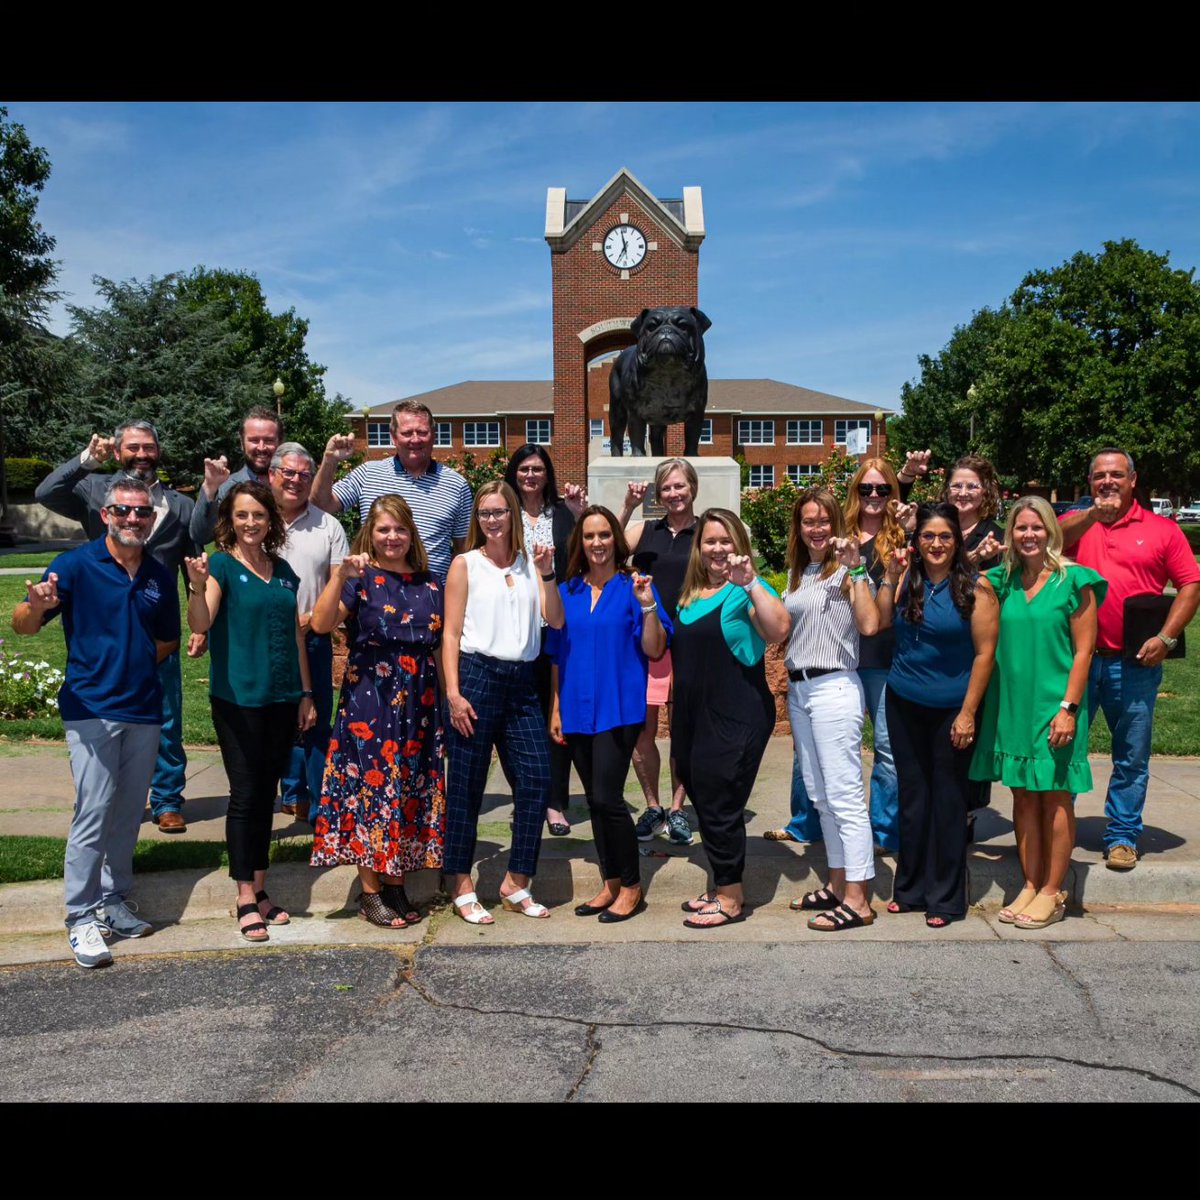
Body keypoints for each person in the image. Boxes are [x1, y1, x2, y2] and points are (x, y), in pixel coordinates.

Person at [12, 478, 180, 967]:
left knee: (128, 812)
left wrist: (135, 660)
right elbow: (22, 623)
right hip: (90, 708)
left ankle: (113, 900)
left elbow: (167, 639)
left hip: (144, 708)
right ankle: (80, 916)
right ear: (105, 514)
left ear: (152, 519)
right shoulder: (73, 566)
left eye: (142, 513)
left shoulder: (156, 574)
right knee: (94, 810)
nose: (133, 519)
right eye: (123, 511)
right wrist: (36, 606)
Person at [35, 420, 198, 832]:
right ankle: (107, 795)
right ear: (119, 451)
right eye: (132, 448)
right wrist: (88, 460)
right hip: (105, 624)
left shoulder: (179, 503)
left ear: (158, 452)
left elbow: (191, 558)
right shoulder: (94, 490)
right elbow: (46, 493)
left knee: (166, 715)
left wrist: (199, 622)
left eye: (148, 447)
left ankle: (166, 799)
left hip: (157, 621)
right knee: (105, 715)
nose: (141, 454)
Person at [184, 482, 316, 942]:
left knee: (266, 794)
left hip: (282, 700)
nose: (250, 523)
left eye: (258, 515)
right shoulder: (220, 565)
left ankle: (260, 889)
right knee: (245, 795)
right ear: (230, 520)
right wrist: (198, 588)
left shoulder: (282, 571)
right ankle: (244, 895)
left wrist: (305, 693)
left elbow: (298, 636)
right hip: (238, 700)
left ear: (270, 521)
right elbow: (200, 622)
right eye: (242, 515)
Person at [308, 496, 446, 928]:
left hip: (419, 706)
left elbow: (442, 645)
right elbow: (321, 624)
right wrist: (339, 577)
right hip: (371, 703)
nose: (392, 538)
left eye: (400, 529)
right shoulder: (359, 578)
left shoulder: (431, 583)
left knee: (406, 792)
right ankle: (370, 892)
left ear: (411, 534)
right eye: (384, 530)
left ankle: (395, 883)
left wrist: (447, 698)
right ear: (371, 532)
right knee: (371, 795)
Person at [1059, 448, 1200, 870]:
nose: (1107, 482)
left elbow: (1190, 584)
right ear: (1089, 483)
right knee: (1063, 748)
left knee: (1131, 755)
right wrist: (1090, 516)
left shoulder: (1161, 529)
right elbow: (1047, 542)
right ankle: (1057, 831)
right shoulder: (1077, 526)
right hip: (1076, 661)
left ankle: (1122, 835)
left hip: (1135, 662)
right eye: (1099, 476)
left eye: (1116, 475)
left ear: (1132, 480)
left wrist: (1167, 637)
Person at [970, 497, 1106, 929]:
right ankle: (1029, 883)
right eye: (1020, 528)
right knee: (1024, 795)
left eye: (1037, 528)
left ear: (1052, 531)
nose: (1029, 536)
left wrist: (1068, 709)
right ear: (1010, 534)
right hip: (1012, 706)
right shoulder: (1001, 581)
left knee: (1057, 797)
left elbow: (1084, 652)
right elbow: (962, 580)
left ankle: (1053, 890)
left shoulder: (1074, 581)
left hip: (1056, 706)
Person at [441, 481, 564, 924]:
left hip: (523, 683)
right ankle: (459, 879)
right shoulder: (465, 564)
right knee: (467, 787)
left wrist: (548, 574)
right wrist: (453, 694)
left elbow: (555, 619)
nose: (491, 520)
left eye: (499, 512)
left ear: (514, 514)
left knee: (535, 779)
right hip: (476, 678)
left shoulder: (534, 564)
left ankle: (516, 881)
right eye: (484, 513)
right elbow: (450, 634)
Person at [877, 502, 998, 928]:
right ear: (917, 541)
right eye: (928, 535)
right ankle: (909, 889)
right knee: (912, 799)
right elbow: (876, 620)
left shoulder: (976, 589)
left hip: (953, 709)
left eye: (945, 535)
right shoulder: (907, 581)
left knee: (948, 800)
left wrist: (967, 713)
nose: (936, 543)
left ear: (957, 540)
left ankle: (946, 898)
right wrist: (890, 575)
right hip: (904, 702)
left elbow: (984, 655)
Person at [548, 507, 671, 924]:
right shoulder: (568, 591)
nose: (597, 543)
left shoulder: (634, 586)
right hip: (577, 708)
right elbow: (556, 655)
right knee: (598, 806)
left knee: (606, 798)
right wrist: (556, 707)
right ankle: (611, 881)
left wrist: (649, 606)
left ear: (615, 540)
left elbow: (655, 649)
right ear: (579, 543)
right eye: (589, 536)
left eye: (604, 535)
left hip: (620, 708)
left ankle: (632, 886)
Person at [674, 509, 791, 928]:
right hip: (693, 716)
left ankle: (731, 896)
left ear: (739, 545)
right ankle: (720, 881)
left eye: (726, 540)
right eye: (710, 541)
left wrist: (752, 581)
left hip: (737, 714)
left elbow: (779, 629)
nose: (718, 548)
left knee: (720, 800)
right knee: (703, 797)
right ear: (699, 548)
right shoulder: (690, 595)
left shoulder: (744, 591)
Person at [782, 488, 881, 932]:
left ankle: (859, 899)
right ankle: (838, 883)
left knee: (844, 796)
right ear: (799, 528)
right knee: (819, 795)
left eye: (823, 521)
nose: (816, 529)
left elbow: (869, 624)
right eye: (808, 521)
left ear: (836, 524)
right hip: (800, 690)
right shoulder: (800, 573)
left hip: (834, 686)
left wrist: (857, 567)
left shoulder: (851, 568)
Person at [503, 444, 587, 836]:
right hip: (514, 628)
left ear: (547, 473)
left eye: (537, 469)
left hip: (555, 627)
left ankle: (555, 803)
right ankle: (525, 798)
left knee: (555, 716)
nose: (530, 476)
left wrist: (579, 512)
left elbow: (589, 552)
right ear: (514, 473)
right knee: (517, 721)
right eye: (523, 469)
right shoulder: (503, 512)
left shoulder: (561, 514)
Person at [266, 442, 349, 823]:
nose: (296, 481)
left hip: (312, 636)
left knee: (314, 722)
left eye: (303, 474)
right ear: (272, 475)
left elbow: (339, 586)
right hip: (262, 640)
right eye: (288, 472)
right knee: (267, 724)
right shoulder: (254, 520)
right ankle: (281, 797)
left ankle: (321, 810)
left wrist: (314, 618)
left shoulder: (327, 525)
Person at [619, 457, 700, 847]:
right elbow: (602, 545)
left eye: (680, 486)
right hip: (646, 641)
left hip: (689, 642)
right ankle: (652, 805)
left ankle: (679, 808)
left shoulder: (705, 532)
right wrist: (628, 506)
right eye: (666, 487)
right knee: (641, 732)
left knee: (683, 730)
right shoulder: (645, 530)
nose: (673, 493)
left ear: (693, 488)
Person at [311, 400, 472, 583]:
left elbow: (463, 550)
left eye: (422, 432)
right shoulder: (368, 473)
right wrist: (330, 460)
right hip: (373, 595)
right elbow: (321, 505)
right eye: (407, 433)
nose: (415, 439)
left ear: (433, 435)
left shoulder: (456, 485)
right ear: (394, 437)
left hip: (432, 600)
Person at [189, 405, 285, 544]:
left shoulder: (294, 484)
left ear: (280, 442)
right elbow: (200, 536)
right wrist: (210, 488)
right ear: (242, 443)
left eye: (269, 440)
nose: (261, 447)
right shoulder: (227, 488)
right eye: (254, 440)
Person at [942, 454, 1005, 570]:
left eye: (972, 487)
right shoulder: (936, 528)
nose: (963, 493)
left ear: (985, 491)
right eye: (957, 486)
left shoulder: (996, 537)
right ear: (947, 490)